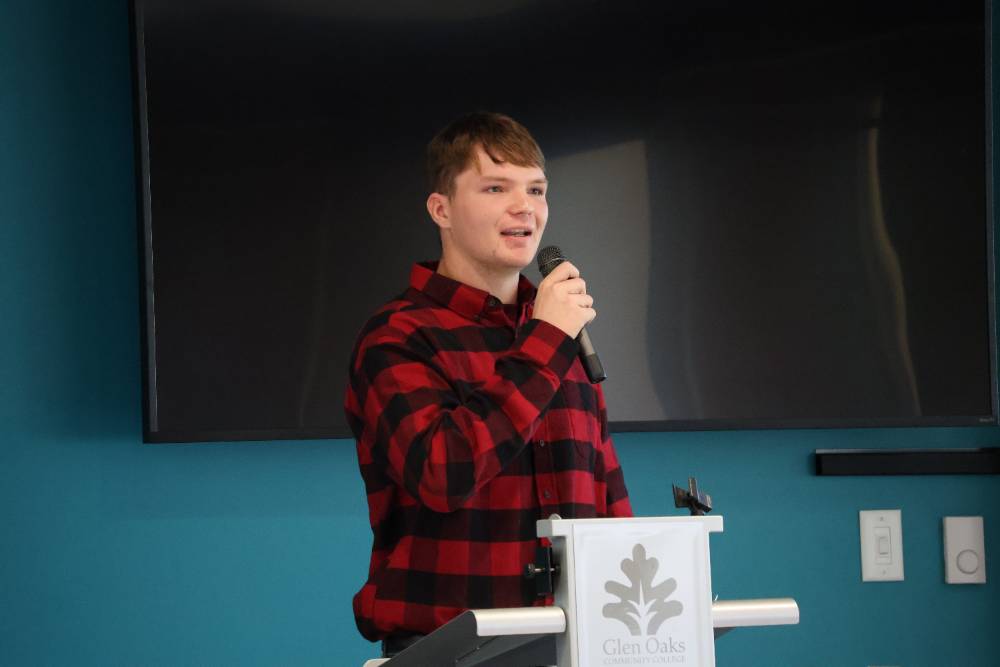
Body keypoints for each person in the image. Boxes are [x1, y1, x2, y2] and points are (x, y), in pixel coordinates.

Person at [345, 111, 632, 661]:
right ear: (441, 209)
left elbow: (608, 498)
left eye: (536, 189)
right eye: (496, 187)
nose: (524, 206)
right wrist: (547, 340)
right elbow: (444, 473)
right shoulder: (398, 336)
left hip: (577, 644)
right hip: (447, 650)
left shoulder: (560, 334)